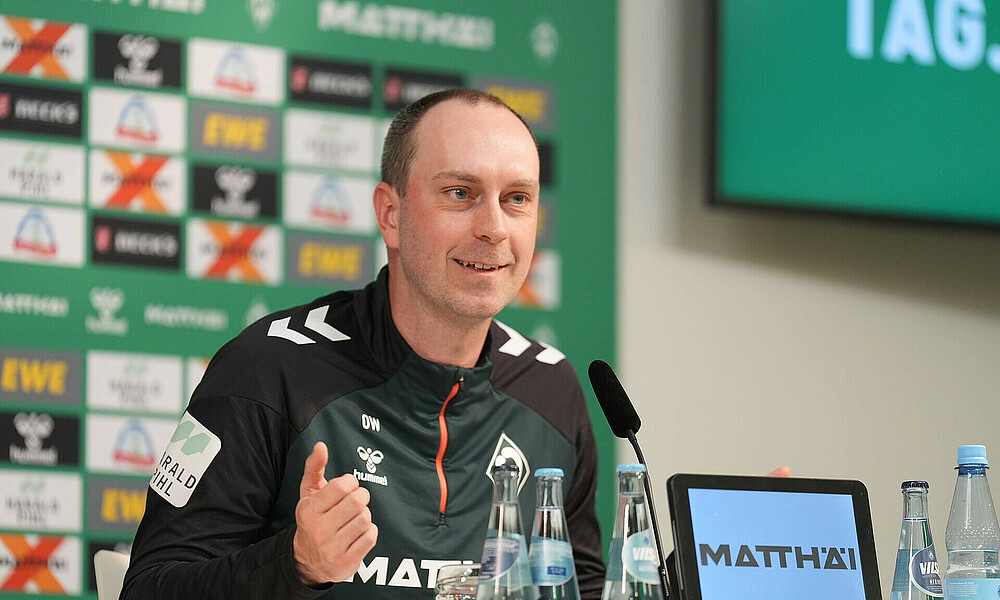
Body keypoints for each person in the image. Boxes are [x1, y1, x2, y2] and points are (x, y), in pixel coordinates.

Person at [121, 89, 606, 599]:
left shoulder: (551, 387)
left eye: (517, 199)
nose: (493, 228)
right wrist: (295, 564)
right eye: (460, 193)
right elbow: (149, 589)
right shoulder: (267, 369)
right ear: (391, 214)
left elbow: (585, 587)